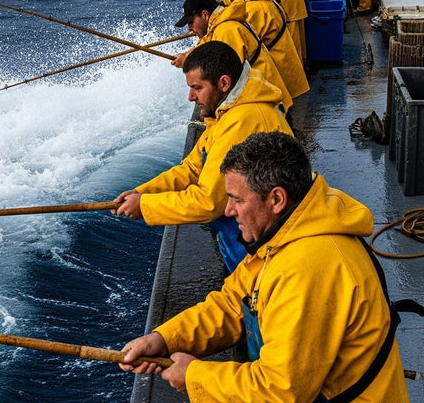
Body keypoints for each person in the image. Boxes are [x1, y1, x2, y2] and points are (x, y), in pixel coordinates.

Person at [121, 131, 424, 403]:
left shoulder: (307, 268)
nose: (228, 210)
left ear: (277, 199)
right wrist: (166, 338)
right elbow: (235, 302)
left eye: (235, 199)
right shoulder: (287, 234)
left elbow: (282, 386)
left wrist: (196, 376)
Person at [113, 42, 292, 273]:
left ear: (224, 83)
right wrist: (143, 192)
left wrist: (146, 207)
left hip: (267, 245)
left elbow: (209, 202)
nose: (190, 97)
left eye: (197, 87)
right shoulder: (227, 113)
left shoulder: (242, 120)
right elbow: (192, 168)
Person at [172, 0, 292, 110]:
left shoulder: (226, 31)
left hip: (270, 102)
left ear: (205, 15)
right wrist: (188, 56)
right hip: (263, 95)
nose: (189, 28)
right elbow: (208, 44)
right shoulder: (220, 23)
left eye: (191, 22)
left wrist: (189, 61)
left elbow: (226, 74)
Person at [220, 0, 309, 103]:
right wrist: (224, 2)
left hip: (279, 66)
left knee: (287, 110)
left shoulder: (253, 9)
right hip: (288, 60)